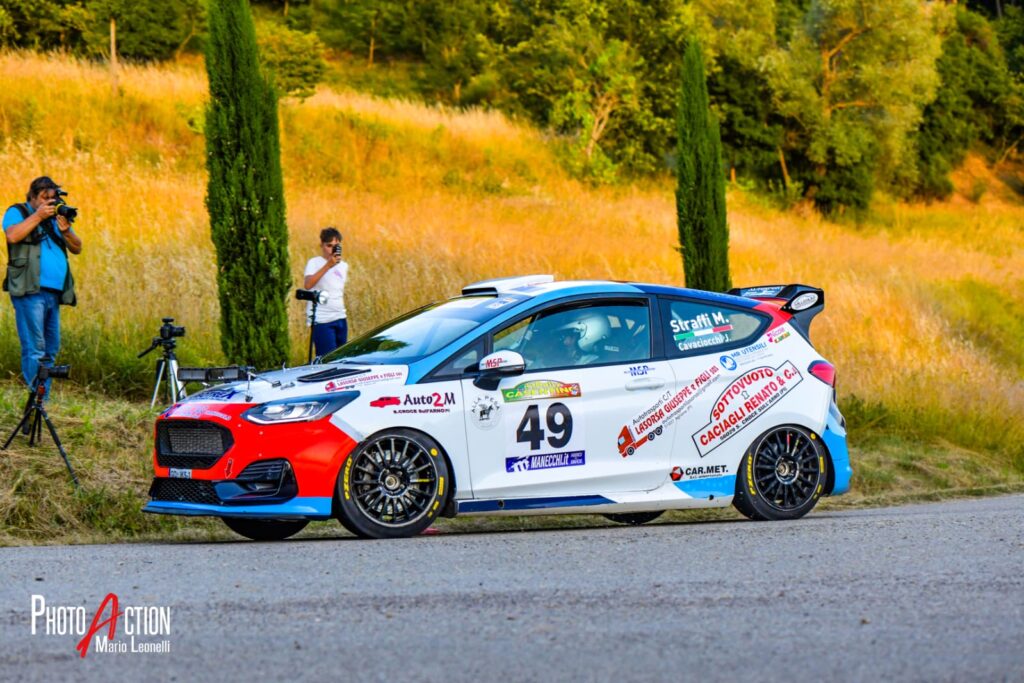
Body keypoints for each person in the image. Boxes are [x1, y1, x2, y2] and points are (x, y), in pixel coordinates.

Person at [3, 176, 82, 393]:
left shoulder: (55, 218)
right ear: (32, 196)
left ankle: (41, 397)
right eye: (44, 198)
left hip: (54, 293)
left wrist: (66, 231)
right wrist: (38, 216)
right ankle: (36, 401)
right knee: (35, 348)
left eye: (52, 199)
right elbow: (12, 236)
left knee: (50, 349)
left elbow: (77, 247)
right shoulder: (18, 212)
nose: (49, 203)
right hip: (30, 290)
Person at [303, 226, 348, 356]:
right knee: (327, 359)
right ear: (322, 245)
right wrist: (328, 265)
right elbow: (308, 285)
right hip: (322, 320)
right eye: (329, 245)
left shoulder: (344, 266)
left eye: (336, 246)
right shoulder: (314, 262)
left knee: (341, 358)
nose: (332, 249)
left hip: (340, 317)